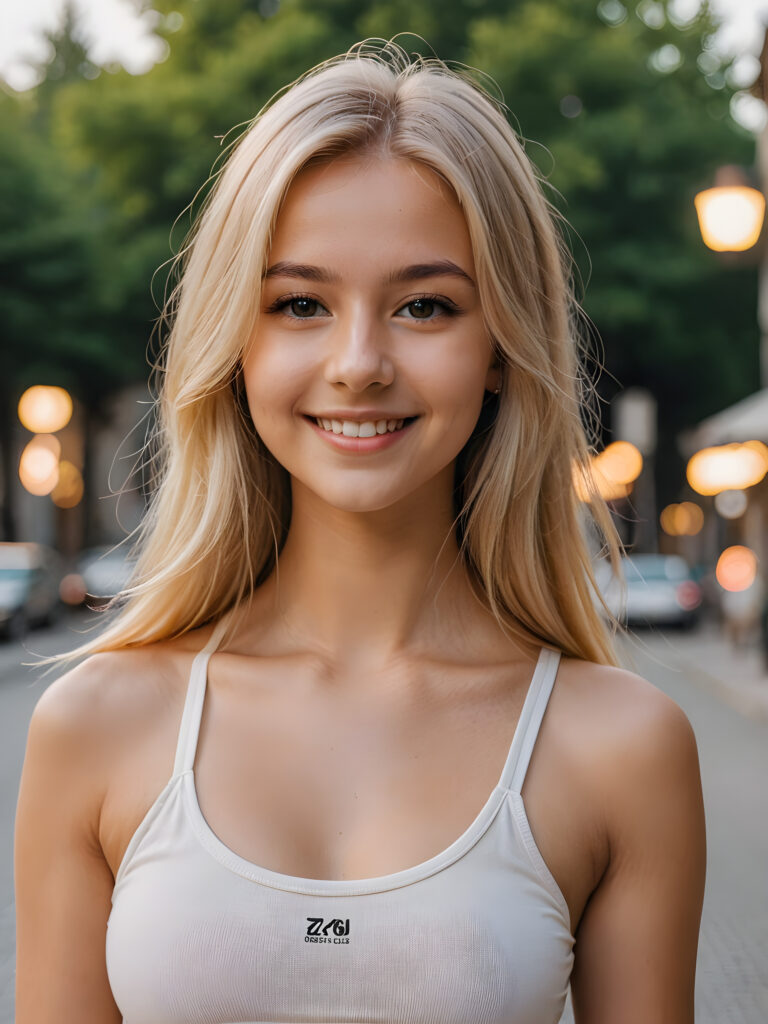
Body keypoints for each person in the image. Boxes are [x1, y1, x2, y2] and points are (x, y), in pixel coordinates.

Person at [15, 40, 706, 1024]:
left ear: (502, 345)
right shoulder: (98, 723)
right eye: (300, 304)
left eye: (425, 305)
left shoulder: (619, 746)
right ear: (235, 341)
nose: (359, 363)